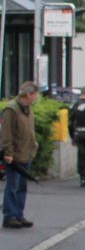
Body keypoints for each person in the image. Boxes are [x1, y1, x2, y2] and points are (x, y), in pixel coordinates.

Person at [1, 82, 40, 229]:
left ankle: (18, 214)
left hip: (26, 153)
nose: (36, 97)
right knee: (13, 185)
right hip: (14, 154)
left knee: (22, 186)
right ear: (29, 94)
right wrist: (8, 152)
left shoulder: (27, 109)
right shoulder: (11, 109)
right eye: (35, 94)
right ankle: (9, 216)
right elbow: (6, 133)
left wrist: (34, 146)